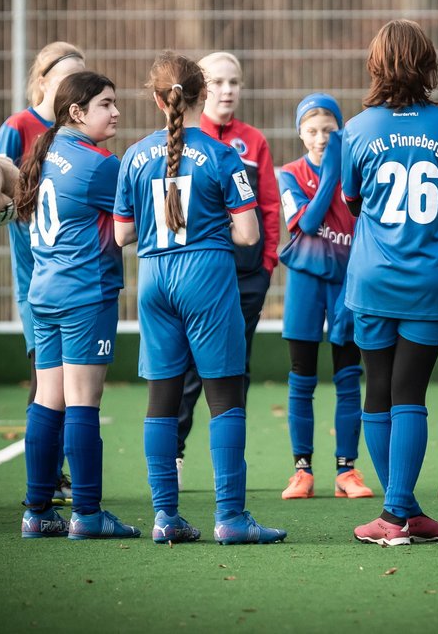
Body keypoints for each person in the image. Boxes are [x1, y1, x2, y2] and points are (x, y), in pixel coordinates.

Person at [114, 51, 285, 545]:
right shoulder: (221, 154)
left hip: (154, 280)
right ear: (202, 95)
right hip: (206, 277)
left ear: (154, 98)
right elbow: (249, 233)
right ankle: (231, 519)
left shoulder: (134, 155)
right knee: (225, 399)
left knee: (162, 401)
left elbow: (123, 234)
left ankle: (166, 517)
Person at [342, 19, 438, 546]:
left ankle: (397, 513)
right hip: (430, 280)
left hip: (373, 279)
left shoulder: (357, 129)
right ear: (429, 66)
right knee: (410, 393)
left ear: (376, 65)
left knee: (378, 389)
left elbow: (353, 203)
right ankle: (402, 512)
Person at [14, 71, 136, 540]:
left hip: (44, 293)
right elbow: (139, 217)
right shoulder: (98, 165)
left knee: (48, 400)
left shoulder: (44, 153)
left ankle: (37, 511)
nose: (116, 112)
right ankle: (87, 513)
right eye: (106, 103)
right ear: (77, 112)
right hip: (85, 294)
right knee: (84, 402)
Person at [174, 51, 280, 482]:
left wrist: (266, 264)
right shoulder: (181, 139)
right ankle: (175, 455)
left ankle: (229, 463)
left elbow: (269, 206)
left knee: (238, 367)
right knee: (188, 368)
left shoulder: (253, 141)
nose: (227, 90)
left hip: (246, 278)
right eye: (217, 82)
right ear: (202, 89)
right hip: (197, 277)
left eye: (234, 82)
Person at [0, 41, 87, 503]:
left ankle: (56, 471)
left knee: (73, 380)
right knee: (45, 377)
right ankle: (44, 481)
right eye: (66, 77)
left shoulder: (77, 132)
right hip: (36, 277)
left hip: (74, 278)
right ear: (44, 80)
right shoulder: (18, 127)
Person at [276, 93, 372, 500]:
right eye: (312, 131)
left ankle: (346, 470)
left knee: (349, 379)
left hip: (346, 284)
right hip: (304, 283)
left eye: (329, 131)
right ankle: (302, 470)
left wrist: (340, 165)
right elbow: (309, 222)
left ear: (341, 131)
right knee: (302, 380)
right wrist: (332, 169)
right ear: (300, 134)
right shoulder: (289, 174)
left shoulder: (357, 171)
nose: (320, 138)